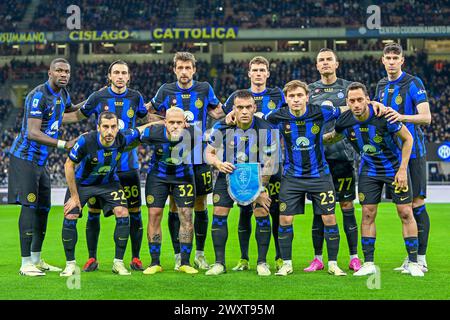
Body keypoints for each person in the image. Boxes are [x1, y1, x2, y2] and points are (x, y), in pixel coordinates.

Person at [328, 82, 424, 277]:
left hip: (394, 170)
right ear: (347, 102)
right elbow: (334, 137)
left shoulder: (384, 116)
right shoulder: (344, 120)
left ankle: (413, 263)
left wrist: (403, 169)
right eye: (352, 100)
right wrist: (315, 138)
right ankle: (369, 263)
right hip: (369, 171)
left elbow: (408, 139)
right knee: (368, 214)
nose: (356, 104)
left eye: (360, 100)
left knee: (405, 212)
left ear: (367, 99)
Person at [63, 60, 148, 272]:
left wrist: (172, 119)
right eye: (116, 73)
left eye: (124, 73)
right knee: (93, 212)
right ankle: (92, 258)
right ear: (109, 76)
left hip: (128, 167)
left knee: (134, 212)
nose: (120, 76)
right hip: (98, 168)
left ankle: (135, 257)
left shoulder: (136, 97)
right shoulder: (98, 96)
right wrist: (53, 118)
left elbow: (146, 121)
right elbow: (76, 115)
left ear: (129, 77)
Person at [263, 80, 348, 276]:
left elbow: (344, 108)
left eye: (300, 95)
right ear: (286, 99)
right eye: (291, 96)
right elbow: (259, 119)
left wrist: (369, 105)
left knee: (329, 217)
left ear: (307, 97)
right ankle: (287, 263)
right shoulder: (278, 115)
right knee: (285, 218)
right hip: (292, 177)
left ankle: (333, 264)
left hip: (320, 175)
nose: (296, 100)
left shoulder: (319, 112)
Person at [149, 52, 224, 271]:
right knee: (175, 206)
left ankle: (199, 254)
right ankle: (178, 254)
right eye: (180, 68)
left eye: (188, 68)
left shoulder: (204, 88)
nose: (184, 72)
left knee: (200, 204)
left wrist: (227, 117)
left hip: (199, 157)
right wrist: (165, 122)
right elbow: (148, 112)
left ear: (194, 69)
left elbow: (218, 111)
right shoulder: (165, 90)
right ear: (174, 69)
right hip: (175, 158)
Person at [60, 111, 153, 276]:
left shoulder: (122, 138)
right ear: (98, 128)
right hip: (83, 183)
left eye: (113, 127)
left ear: (118, 128)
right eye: (105, 127)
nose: (109, 131)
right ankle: (70, 264)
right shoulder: (86, 141)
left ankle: (118, 263)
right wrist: (74, 197)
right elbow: (69, 165)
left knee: (123, 212)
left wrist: (166, 121)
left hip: (109, 183)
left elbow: (142, 128)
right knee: (70, 215)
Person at [8, 58, 77, 276]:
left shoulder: (63, 95)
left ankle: (37, 259)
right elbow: (33, 133)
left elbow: (71, 113)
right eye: (59, 70)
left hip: (41, 161)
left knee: (44, 208)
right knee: (29, 206)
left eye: (66, 71)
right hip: (25, 158)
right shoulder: (38, 95)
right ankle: (25, 262)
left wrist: (96, 99)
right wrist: (64, 144)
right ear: (50, 73)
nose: (63, 74)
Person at [205, 90, 278, 276]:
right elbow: (208, 153)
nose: (244, 111)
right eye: (240, 107)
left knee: (262, 211)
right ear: (233, 109)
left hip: (256, 176)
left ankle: (262, 262)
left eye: (248, 107)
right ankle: (219, 263)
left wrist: (261, 188)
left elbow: (270, 161)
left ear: (254, 108)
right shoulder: (222, 127)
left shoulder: (266, 128)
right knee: (219, 213)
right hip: (228, 174)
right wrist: (218, 164)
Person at [223, 56, 285, 272]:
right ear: (249, 73)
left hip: (271, 160)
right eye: (255, 70)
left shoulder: (279, 95)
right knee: (244, 211)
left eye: (262, 70)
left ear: (268, 73)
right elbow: (224, 122)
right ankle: (244, 258)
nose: (258, 73)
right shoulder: (237, 97)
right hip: (245, 163)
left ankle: (278, 256)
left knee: (273, 209)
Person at [375, 43, 432, 272]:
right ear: (382, 60)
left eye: (394, 57)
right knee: (403, 208)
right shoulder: (380, 85)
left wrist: (401, 116)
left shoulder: (413, 82)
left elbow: (426, 118)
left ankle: (421, 258)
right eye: (387, 57)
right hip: (391, 156)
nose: (391, 61)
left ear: (402, 60)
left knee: (417, 204)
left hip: (414, 153)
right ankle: (410, 258)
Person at [306, 48, 361, 272]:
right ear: (317, 66)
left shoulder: (348, 88)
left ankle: (354, 257)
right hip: (318, 161)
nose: (326, 63)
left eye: (329, 59)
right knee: (320, 210)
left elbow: (359, 109)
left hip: (343, 157)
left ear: (336, 64)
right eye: (322, 60)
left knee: (347, 206)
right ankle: (318, 258)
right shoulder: (309, 90)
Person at [140, 107, 199, 275]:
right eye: (171, 122)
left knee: (186, 214)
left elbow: (211, 147)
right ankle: (154, 262)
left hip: (183, 177)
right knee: (154, 214)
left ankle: (185, 262)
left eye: (179, 122)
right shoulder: (153, 132)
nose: (175, 126)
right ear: (165, 123)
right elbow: (131, 139)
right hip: (158, 177)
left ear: (185, 123)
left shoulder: (194, 133)